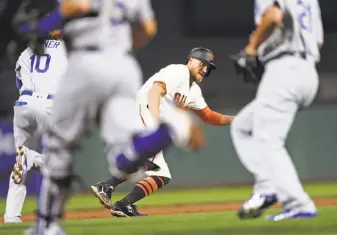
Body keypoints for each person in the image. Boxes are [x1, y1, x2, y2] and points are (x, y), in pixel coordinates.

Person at [26, 0, 205, 234]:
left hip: (86, 61)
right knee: (122, 153)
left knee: (59, 145)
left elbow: (76, 6)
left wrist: (42, 29)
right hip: (124, 65)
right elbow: (148, 28)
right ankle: (169, 129)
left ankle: (48, 226)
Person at [91, 47, 234, 217]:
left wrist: (237, 120)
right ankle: (122, 203)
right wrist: (155, 124)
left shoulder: (193, 90)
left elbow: (209, 116)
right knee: (161, 174)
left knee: (142, 162)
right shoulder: (179, 71)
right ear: (190, 60)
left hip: (148, 119)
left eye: (208, 67)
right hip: (144, 114)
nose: (205, 69)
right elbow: (155, 90)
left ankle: (107, 187)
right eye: (202, 63)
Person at [230, 0, 324, 221]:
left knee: (268, 141)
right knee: (243, 126)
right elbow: (317, 42)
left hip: (285, 68)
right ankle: (266, 186)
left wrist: (252, 48)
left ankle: (298, 203)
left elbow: (273, 16)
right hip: (307, 71)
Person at [4, 29, 67, 224]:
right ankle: (31, 158)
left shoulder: (26, 52)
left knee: (19, 163)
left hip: (23, 104)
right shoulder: (66, 49)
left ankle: (11, 216)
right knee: (58, 163)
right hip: (48, 105)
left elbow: (18, 82)